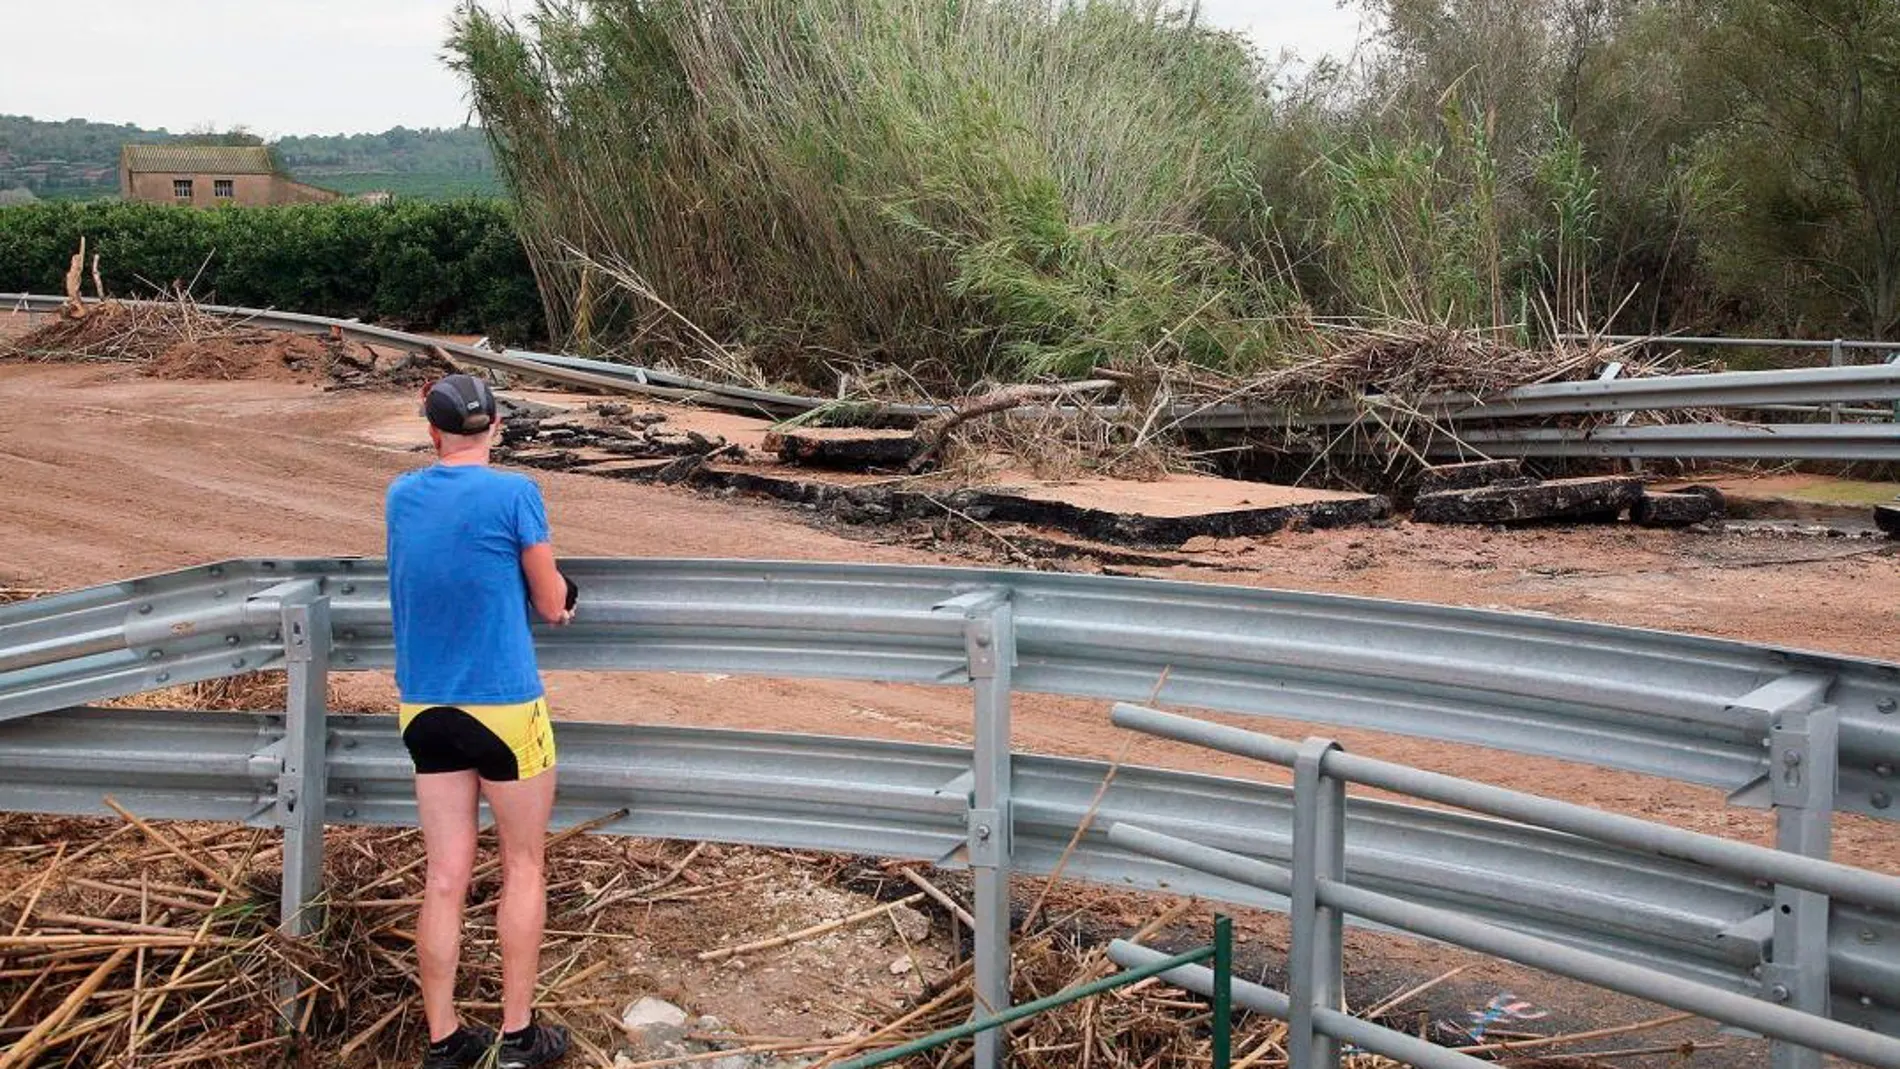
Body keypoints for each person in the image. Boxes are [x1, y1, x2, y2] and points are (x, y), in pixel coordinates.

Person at [386, 373, 573, 1069]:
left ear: (432, 430)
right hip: (502, 703)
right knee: (523, 864)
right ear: (495, 425)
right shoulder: (516, 493)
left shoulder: (400, 495)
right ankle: (520, 1037)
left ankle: (444, 1040)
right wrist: (559, 595)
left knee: (445, 875)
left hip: (425, 707)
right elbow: (551, 602)